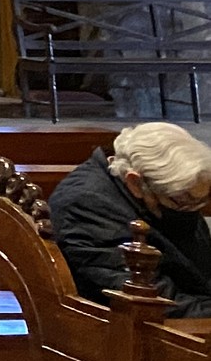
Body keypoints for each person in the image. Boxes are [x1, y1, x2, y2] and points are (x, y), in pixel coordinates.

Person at [47, 120, 211, 317]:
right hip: (128, 325)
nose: (194, 209)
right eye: (184, 202)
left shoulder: (162, 192)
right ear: (135, 182)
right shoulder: (86, 206)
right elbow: (154, 300)